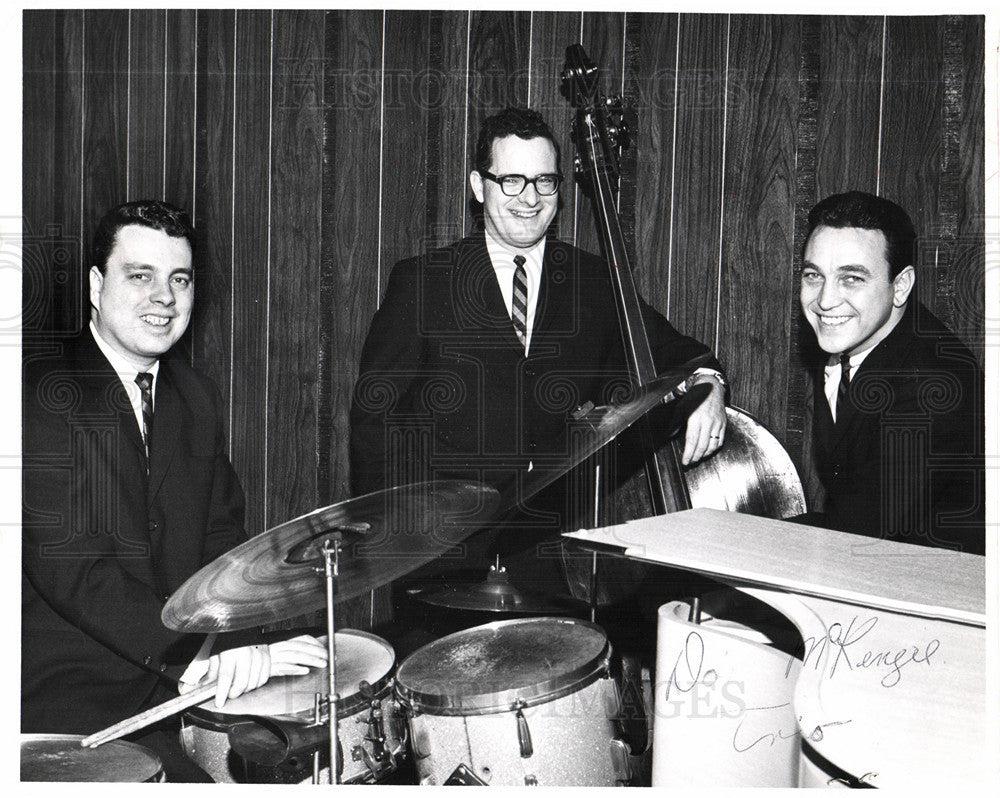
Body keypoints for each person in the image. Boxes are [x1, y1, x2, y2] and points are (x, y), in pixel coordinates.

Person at [350, 108, 728, 587]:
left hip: (551, 566)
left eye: (544, 181)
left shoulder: (594, 282)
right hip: (440, 562)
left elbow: (678, 353)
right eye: (510, 180)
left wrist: (709, 384)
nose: (529, 198)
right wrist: (392, 548)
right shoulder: (422, 282)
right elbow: (373, 420)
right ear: (477, 185)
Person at [22, 200, 326, 780]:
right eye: (141, 276)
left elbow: (222, 541)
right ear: (96, 284)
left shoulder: (194, 395)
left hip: (179, 696)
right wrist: (199, 658)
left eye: (179, 279)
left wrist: (240, 640)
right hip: (69, 705)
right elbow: (77, 572)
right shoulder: (38, 391)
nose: (164, 297)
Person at [798, 191, 984, 554]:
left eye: (851, 278)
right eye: (812, 275)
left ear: (900, 286)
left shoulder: (935, 381)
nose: (824, 300)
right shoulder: (854, 332)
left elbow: (863, 541)